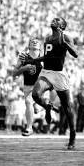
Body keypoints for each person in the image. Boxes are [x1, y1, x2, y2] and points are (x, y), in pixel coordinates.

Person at [21, 17, 78, 149]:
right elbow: (47, 57)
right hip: (46, 72)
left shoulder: (66, 38)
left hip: (59, 74)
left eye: (57, 20)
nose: (54, 20)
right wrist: (33, 61)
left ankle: (72, 138)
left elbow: (75, 54)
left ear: (62, 26)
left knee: (67, 106)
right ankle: (47, 107)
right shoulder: (47, 39)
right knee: (35, 94)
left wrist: (65, 43)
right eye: (53, 19)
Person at [12, 38, 43, 136]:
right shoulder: (23, 56)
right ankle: (42, 106)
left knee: (28, 102)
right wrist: (24, 68)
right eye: (32, 42)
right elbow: (14, 73)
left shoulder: (44, 58)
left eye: (36, 42)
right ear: (29, 46)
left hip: (39, 85)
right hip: (27, 86)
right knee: (32, 106)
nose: (34, 43)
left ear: (40, 48)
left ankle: (29, 128)